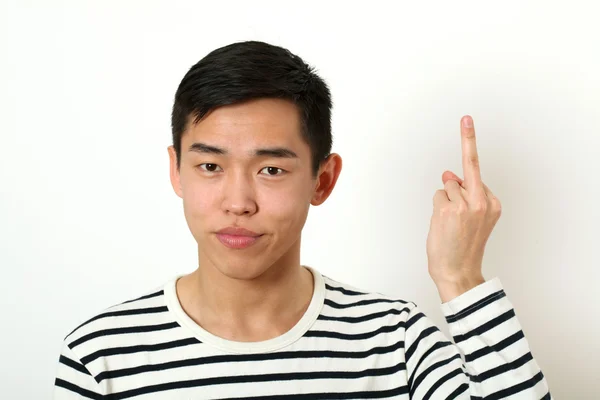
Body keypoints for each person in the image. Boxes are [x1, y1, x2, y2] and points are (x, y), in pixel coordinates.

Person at [53, 40, 552, 399]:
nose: (238, 201)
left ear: (322, 180)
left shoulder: (396, 342)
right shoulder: (102, 357)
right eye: (210, 166)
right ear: (176, 170)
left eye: (271, 169)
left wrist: (460, 278)